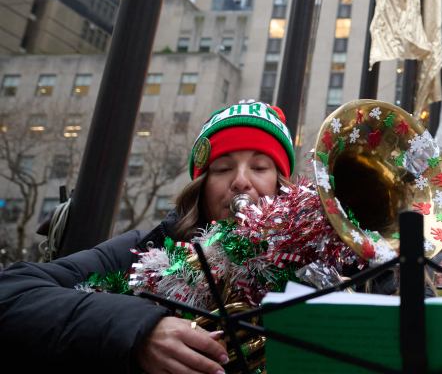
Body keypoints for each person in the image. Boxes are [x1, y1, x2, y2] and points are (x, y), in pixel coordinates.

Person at [0, 100, 295, 374]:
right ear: (202, 187)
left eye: (259, 167)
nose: (241, 181)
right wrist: (140, 329)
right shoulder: (142, 250)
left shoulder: (314, 263)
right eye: (223, 168)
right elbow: (12, 292)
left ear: (281, 184)